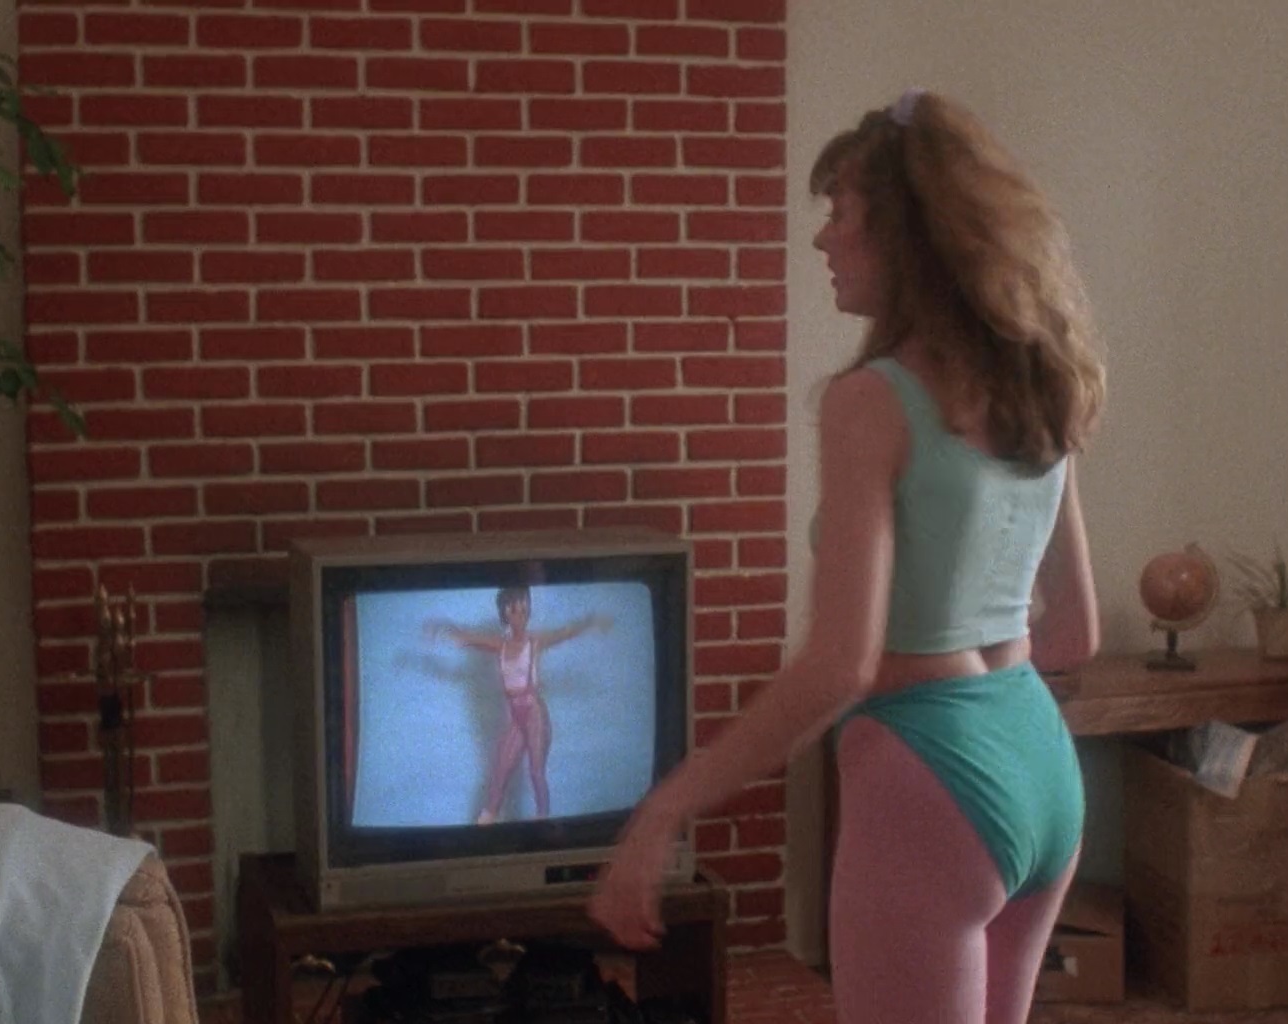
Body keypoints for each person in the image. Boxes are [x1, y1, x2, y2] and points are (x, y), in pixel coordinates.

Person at [587, 87, 1105, 1024]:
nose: (824, 239)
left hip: (930, 781)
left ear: (901, 236)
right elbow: (1074, 632)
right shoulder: (1040, 381)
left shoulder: (871, 401)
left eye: (841, 213)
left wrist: (665, 810)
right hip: (1039, 763)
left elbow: (840, 667)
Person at [429, 587, 611, 824]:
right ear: (506, 614)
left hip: (534, 712)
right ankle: (487, 817)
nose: (520, 616)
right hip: (516, 716)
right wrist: (442, 627)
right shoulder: (500, 645)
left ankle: (543, 820)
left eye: (524, 610)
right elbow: (469, 639)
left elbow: (564, 633)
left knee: (536, 771)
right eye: (514, 611)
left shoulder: (534, 641)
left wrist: (591, 622)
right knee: (500, 771)